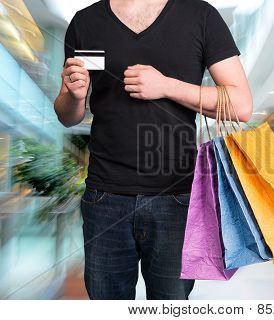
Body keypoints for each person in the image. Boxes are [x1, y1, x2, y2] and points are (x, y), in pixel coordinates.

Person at [54, 0, 252, 300]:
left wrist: (166, 86)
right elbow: (68, 116)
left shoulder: (201, 15)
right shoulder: (85, 22)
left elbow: (241, 105)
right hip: (104, 198)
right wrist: (74, 95)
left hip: (177, 199)